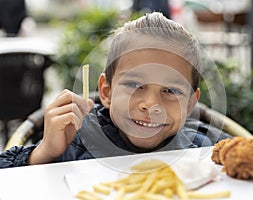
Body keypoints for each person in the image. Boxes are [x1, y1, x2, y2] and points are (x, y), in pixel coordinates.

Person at [0, 12, 231, 168]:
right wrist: (45, 152)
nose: (151, 104)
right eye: (134, 85)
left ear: (190, 104)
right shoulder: (76, 141)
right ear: (106, 92)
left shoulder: (205, 149)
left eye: (170, 90)